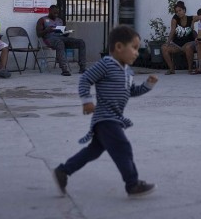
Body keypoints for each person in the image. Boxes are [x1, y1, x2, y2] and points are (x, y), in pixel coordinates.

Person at [52, 25, 159, 198]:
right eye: (134, 48)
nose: (137, 53)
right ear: (118, 47)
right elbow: (85, 79)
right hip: (106, 118)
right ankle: (132, 184)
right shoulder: (107, 64)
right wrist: (87, 101)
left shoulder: (128, 71)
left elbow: (132, 92)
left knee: (92, 151)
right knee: (123, 148)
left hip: (113, 118)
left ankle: (63, 171)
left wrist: (148, 85)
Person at [36, 4, 86, 76]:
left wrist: (66, 32)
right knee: (60, 43)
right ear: (49, 11)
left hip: (61, 38)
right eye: (54, 13)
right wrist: (47, 30)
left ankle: (82, 67)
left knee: (81, 42)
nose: (56, 15)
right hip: (50, 39)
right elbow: (38, 34)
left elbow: (64, 34)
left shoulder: (59, 20)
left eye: (57, 13)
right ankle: (64, 69)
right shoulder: (42, 20)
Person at [160, 1, 197, 75]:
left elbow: (200, 17)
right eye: (177, 11)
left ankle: (190, 69)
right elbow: (172, 31)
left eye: (180, 10)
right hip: (177, 44)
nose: (178, 13)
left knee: (188, 47)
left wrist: (193, 22)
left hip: (188, 43)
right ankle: (171, 69)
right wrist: (168, 42)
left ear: (184, 10)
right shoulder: (175, 19)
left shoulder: (190, 18)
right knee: (164, 47)